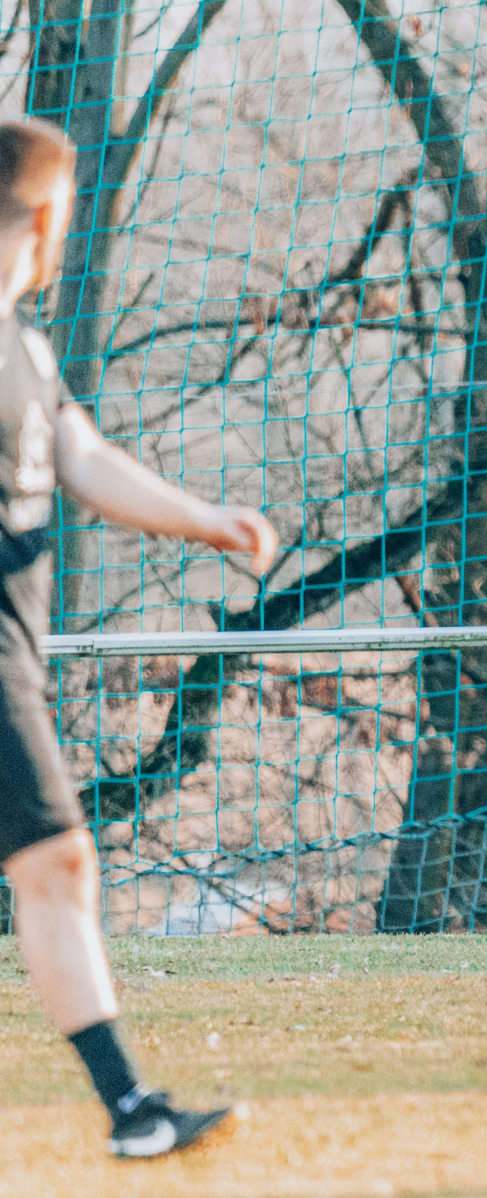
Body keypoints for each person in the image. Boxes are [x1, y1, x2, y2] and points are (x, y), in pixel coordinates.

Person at [0, 117, 278, 1157]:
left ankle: (132, 1111)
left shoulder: (24, 347)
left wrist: (205, 519)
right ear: (45, 215)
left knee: (56, 867)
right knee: (57, 863)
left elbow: (87, 460)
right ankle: (131, 1109)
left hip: (14, 655)